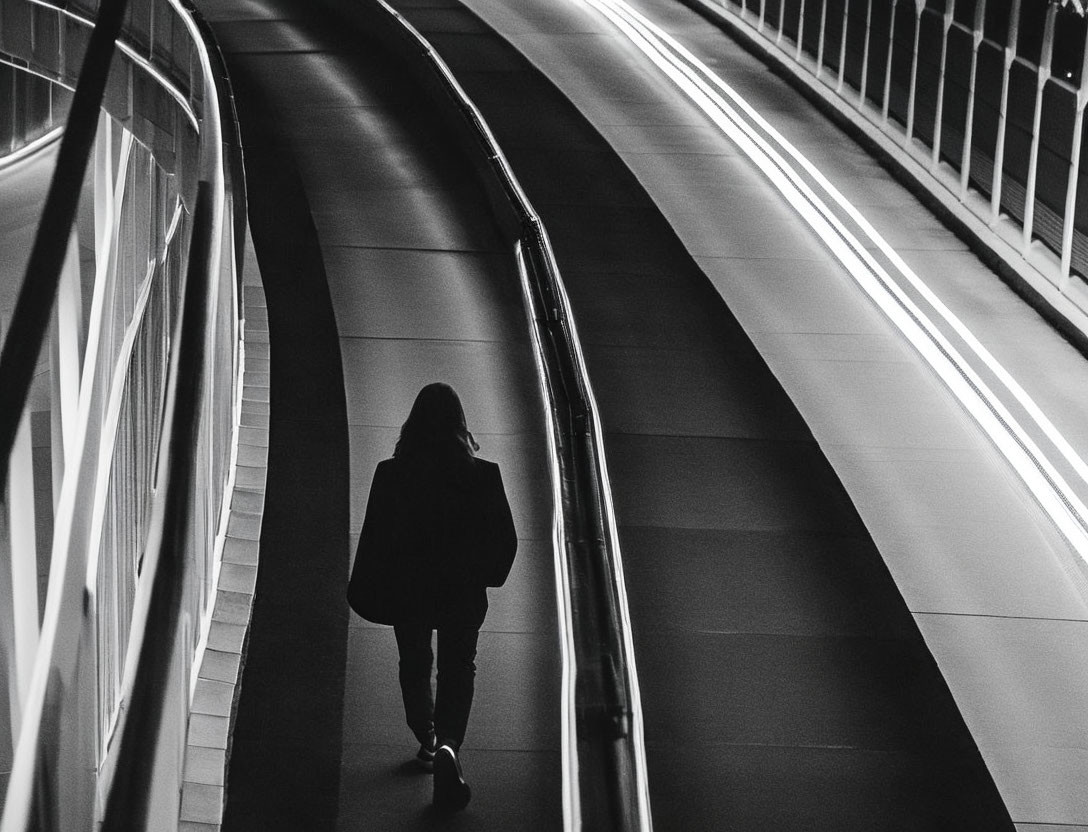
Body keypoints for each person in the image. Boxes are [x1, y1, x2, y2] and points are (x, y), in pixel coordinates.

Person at [347, 382, 517, 811]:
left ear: (413, 424)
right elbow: (505, 541)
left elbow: (374, 538)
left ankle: (427, 736)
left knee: (415, 662)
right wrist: (483, 575)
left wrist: (370, 588)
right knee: (459, 666)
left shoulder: (391, 474)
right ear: (461, 424)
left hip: (409, 591)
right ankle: (450, 745)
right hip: (462, 592)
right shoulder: (484, 475)